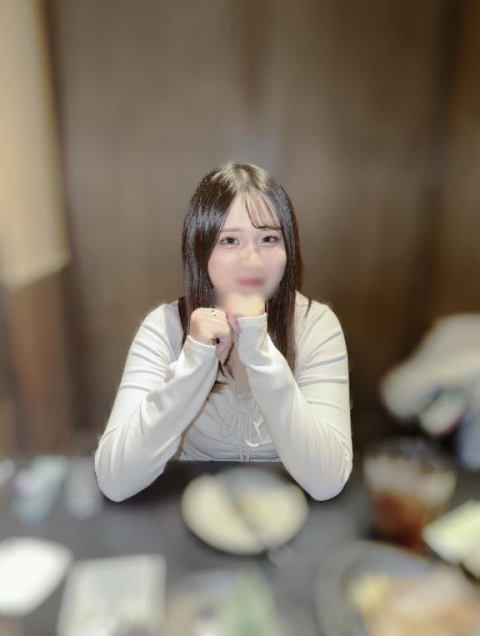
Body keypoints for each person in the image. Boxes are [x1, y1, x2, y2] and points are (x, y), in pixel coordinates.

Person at [94, 162, 353, 502]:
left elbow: (327, 482)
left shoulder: (315, 326)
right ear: (200, 249)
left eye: (269, 238)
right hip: (192, 506)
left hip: (285, 507)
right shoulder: (164, 327)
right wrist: (194, 359)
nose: (252, 260)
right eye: (230, 240)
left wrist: (260, 353)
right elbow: (115, 481)